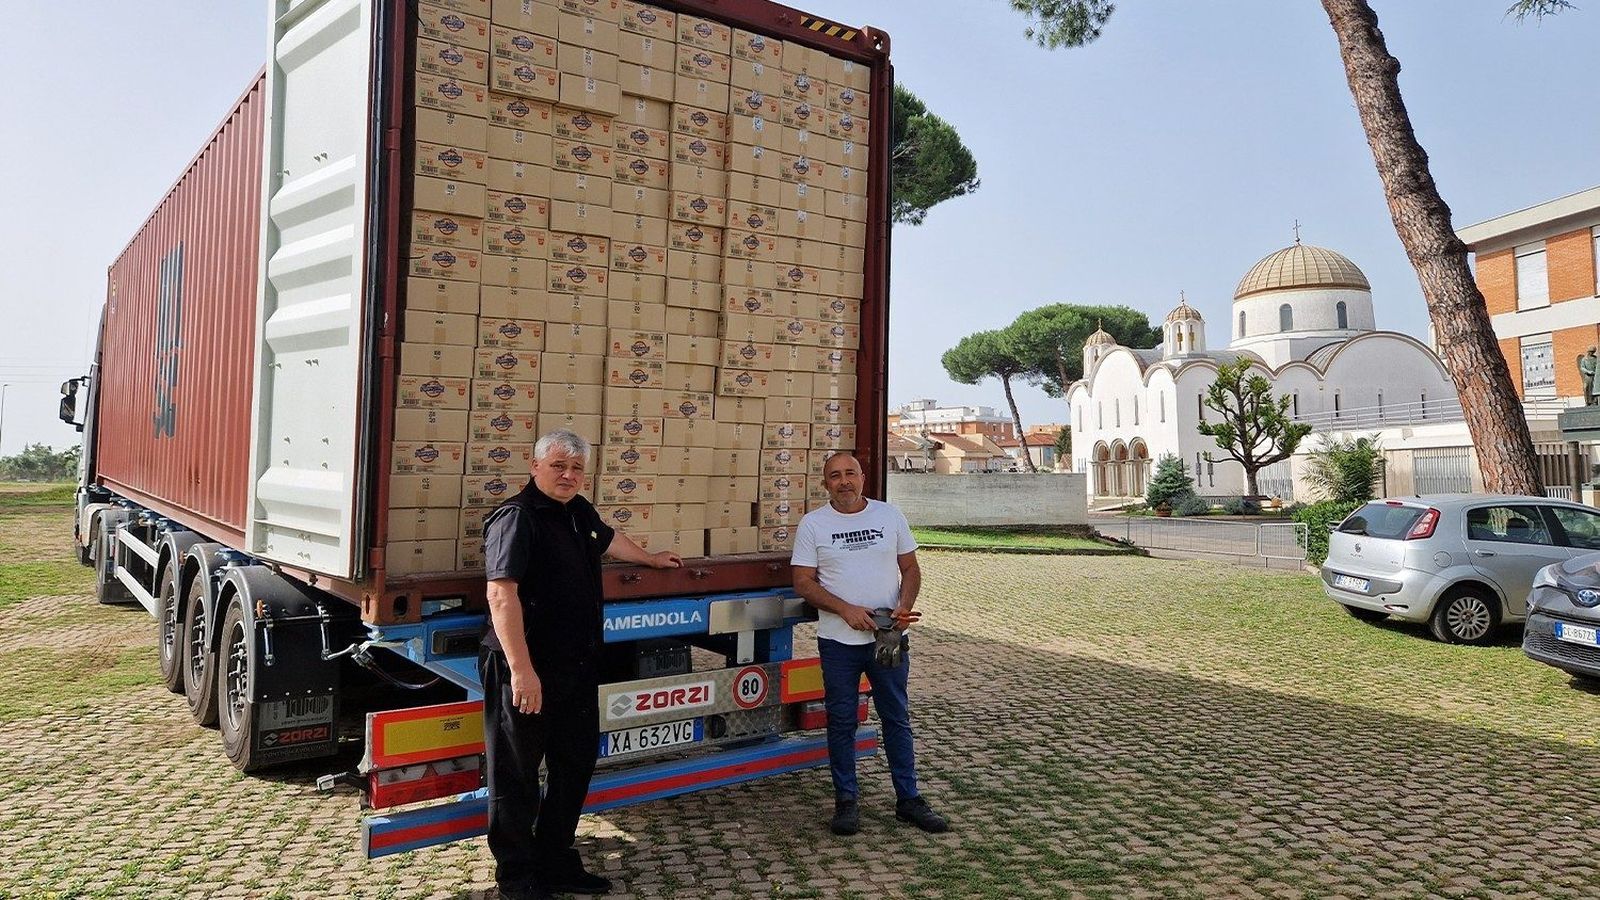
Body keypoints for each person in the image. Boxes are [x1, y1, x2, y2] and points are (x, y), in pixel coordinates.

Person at [480, 430, 682, 900]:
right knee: (517, 775)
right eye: (558, 466)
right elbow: (500, 594)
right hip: (528, 666)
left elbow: (610, 541)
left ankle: (556, 861)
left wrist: (651, 559)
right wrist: (521, 671)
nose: (568, 476)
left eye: (576, 469)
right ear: (534, 467)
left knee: (574, 766)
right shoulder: (517, 518)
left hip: (575, 665)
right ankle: (517, 875)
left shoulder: (578, 512)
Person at [790, 452, 949, 836]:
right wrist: (844, 609)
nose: (844, 481)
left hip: (888, 639)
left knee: (896, 717)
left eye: (850, 473)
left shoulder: (888, 516)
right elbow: (803, 582)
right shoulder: (813, 525)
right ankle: (846, 802)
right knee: (841, 721)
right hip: (839, 643)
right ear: (824, 483)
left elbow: (910, 568)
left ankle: (908, 800)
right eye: (834, 476)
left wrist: (904, 606)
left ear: (863, 477)